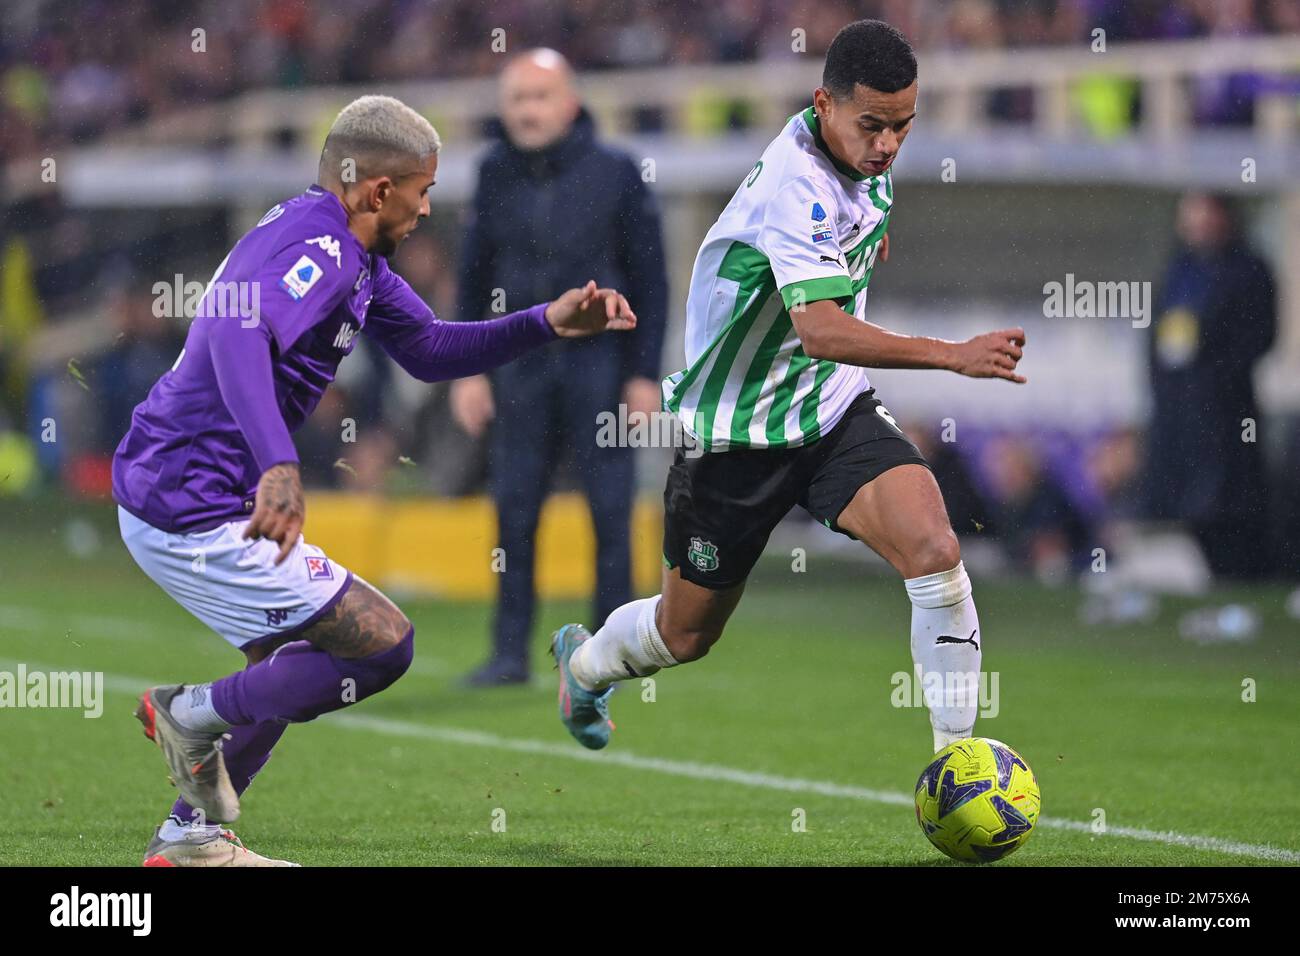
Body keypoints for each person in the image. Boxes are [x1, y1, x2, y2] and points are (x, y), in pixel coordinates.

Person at [112, 95, 636, 866]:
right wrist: (279, 465)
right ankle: (191, 714)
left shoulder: (350, 255)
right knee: (383, 646)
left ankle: (190, 837)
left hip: (182, 487)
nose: (429, 208)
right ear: (378, 190)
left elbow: (426, 348)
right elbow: (233, 330)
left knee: (292, 661)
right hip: (189, 496)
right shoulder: (321, 250)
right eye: (422, 191)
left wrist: (545, 322)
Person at [550, 20, 1027, 756]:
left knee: (934, 548)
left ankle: (958, 762)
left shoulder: (865, 156)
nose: (890, 144)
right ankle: (584, 667)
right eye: (874, 125)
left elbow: (856, 254)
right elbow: (821, 331)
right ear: (823, 104)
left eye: (904, 125)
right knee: (684, 634)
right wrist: (951, 356)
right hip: (737, 433)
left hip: (832, 410)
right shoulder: (793, 183)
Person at [451, 48, 668, 686]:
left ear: (570, 102)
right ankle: (509, 654)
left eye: (539, 97)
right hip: (518, 366)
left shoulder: (617, 173)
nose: (527, 111)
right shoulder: (492, 173)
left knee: (609, 509)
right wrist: (467, 369)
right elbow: (473, 277)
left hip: (599, 364)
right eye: (516, 99)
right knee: (513, 511)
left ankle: (617, 653)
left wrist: (643, 374)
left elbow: (651, 281)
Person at [1145, 192, 1276, 578]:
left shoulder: (1248, 269)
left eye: (1203, 212)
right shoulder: (1180, 268)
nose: (1195, 223)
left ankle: (1239, 580)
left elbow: (1260, 337)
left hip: (1226, 415)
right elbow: (1157, 340)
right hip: (1180, 414)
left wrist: (1213, 375)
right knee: (1187, 510)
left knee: (1228, 507)